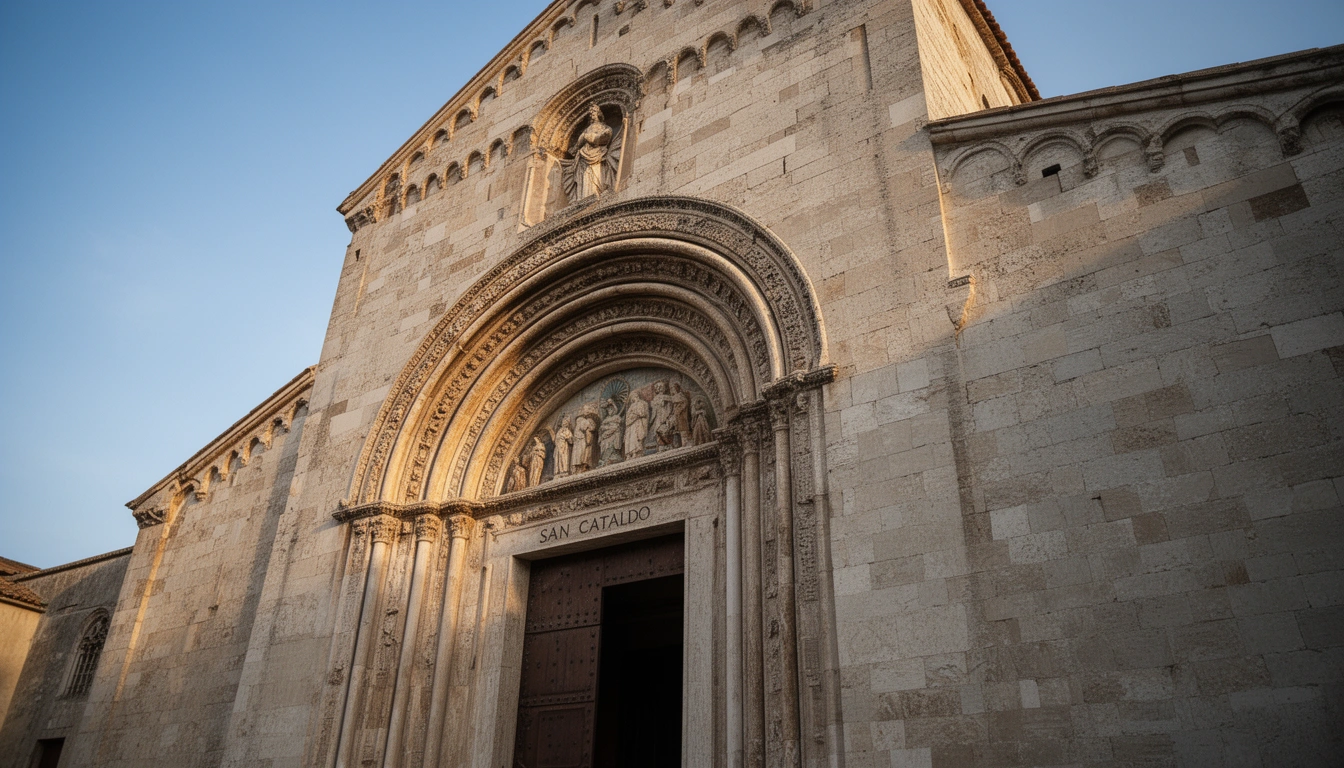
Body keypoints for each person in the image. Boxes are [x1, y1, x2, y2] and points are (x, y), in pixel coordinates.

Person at [598, 398, 624, 465]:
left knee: (611, 445)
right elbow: (601, 428)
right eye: (608, 410)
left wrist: (608, 429)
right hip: (605, 437)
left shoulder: (616, 417)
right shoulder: (606, 419)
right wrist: (605, 429)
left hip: (614, 435)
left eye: (611, 409)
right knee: (605, 445)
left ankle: (613, 457)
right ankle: (605, 459)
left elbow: (617, 427)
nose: (609, 411)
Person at [624, 394, 650, 459]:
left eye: (635, 397)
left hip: (637, 423)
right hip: (631, 425)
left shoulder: (642, 403)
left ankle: (636, 452)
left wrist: (635, 415)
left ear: (638, 397)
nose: (634, 399)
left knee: (636, 437)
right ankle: (631, 453)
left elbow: (642, 413)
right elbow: (628, 416)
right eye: (633, 398)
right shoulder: (631, 406)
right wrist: (631, 417)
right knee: (631, 438)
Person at [670, 382, 692, 448]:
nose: (673, 390)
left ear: (677, 388)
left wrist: (680, 409)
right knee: (679, 429)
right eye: (672, 389)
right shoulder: (675, 397)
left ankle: (686, 443)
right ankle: (683, 443)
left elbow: (685, 402)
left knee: (683, 428)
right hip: (677, 415)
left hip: (682, 415)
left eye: (673, 388)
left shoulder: (680, 395)